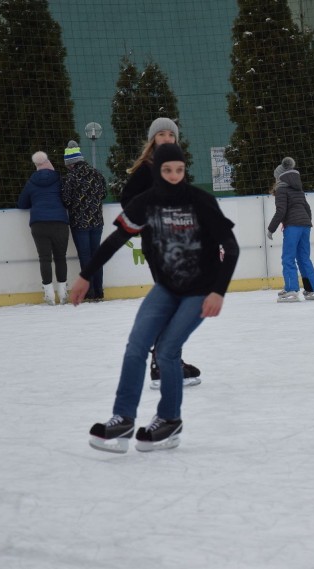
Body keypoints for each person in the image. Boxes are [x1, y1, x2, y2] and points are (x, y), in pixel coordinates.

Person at [73, 143, 239, 453]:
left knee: (167, 350)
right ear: (158, 171)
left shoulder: (201, 202)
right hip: (166, 288)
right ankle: (122, 419)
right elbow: (115, 241)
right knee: (136, 346)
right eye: (167, 170)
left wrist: (218, 291)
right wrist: (86, 275)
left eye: (179, 170)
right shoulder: (145, 204)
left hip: (200, 290)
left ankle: (169, 420)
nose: (174, 176)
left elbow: (231, 248)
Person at [121, 117, 202, 387]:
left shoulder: (173, 168)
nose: (167, 138)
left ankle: (168, 359)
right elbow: (128, 200)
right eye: (161, 135)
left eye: (171, 134)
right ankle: (162, 364)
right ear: (153, 140)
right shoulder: (147, 169)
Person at [267, 157, 314, 303]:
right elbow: (307, 208)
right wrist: (307, 222)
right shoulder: (298, 188)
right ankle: (312, 290)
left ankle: (292, 290)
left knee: (288, 258)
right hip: (305, 226)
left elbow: (281, 211)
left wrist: (271, 229)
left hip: (293, 226)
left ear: (279, 177)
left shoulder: (281, 190)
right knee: (304, 258)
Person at [18, 151, 70, 305]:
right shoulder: (59, 179)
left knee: (44, 258)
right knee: (61, 257)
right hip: (60, 222)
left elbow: (21, 204)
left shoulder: (31, 182)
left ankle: (49, 294)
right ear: (50, 164)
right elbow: (67, 199)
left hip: (39, 224)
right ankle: (63, 292)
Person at [61, 141, 107, 301]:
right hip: (97, 221)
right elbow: (103, 194)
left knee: (85, 257)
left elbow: (66, 201)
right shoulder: (97, 174)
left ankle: (90, 292)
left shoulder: (70, 178)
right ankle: (99, 291)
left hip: (80, 223)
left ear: (70, 163)